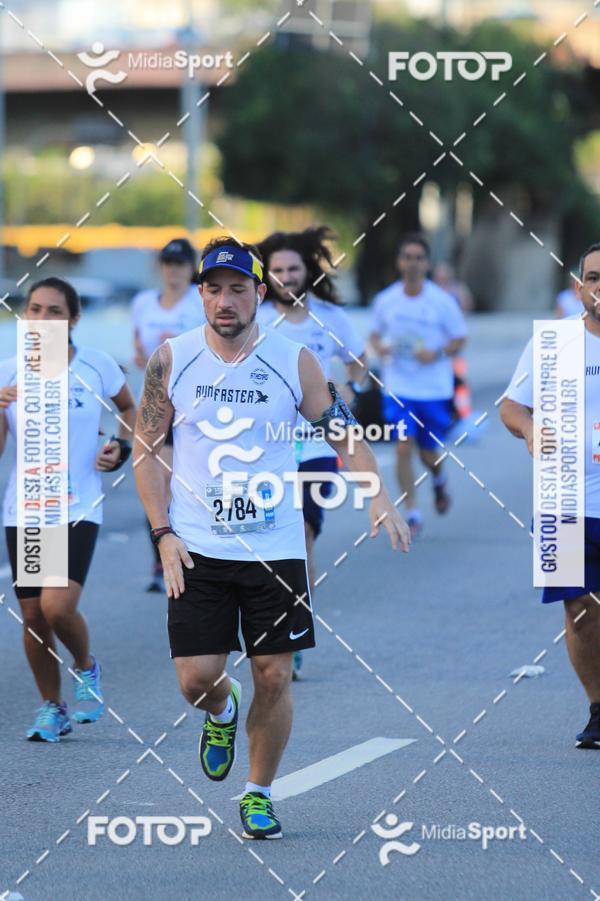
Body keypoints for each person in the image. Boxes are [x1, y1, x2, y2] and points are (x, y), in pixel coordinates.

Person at [134, 237, 410, 839]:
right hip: (196, 546)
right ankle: (222, 709)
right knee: (195, 680)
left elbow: (341, 432)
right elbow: (146, 451)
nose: (225, 300)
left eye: (238, 288)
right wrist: (162, 534)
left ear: (260, 292)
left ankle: (258, 792)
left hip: (276, 546)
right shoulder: (171, 359)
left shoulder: (293, 360)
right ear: (201, 294)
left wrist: (378, 495)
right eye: (214, 289)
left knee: (276, 674)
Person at [0, 277, 136, 742]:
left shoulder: (97, 367)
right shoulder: (10, 372)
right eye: (34, 309)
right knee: (34, 615)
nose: (41, 319)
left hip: (77, 505)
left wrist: (119, 446)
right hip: (27, 509)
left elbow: (129, 410)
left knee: (58, 607)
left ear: (73, 319)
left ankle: (86, 667)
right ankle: (52, 708)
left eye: (53, 311)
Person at [500, 242, 600, 750]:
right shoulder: (554, 343)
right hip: (562, 499)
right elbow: (511, 407)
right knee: (578, 606)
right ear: (579, 286)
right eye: (594, 277)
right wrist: (531, 428)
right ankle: (598, 709)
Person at [257, 226, 367, 678]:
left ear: (308, 271)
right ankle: (270, 619)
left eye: (293, 268)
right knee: (266, 544)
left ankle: (292, 632)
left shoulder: (330, 318)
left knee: (301, 537)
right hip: (263, 450)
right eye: (277, 270)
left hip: (317, 446)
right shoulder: (257, 319)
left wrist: (349, 389)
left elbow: (359, 366)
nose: (286, 276)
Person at [370, 234, 467, 537]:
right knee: (402, 447)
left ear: (427, 263)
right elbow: (374, 334)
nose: (412, 263)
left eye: (418, 258)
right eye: (407, 257)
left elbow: (460, 338)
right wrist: (381, 348)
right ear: (399, 262)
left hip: (433, 390)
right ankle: (412, 511)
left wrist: (436, 353)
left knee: (428, 454)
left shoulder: (442, 301)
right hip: (398, 389)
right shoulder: (386, 300)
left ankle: (438, 481)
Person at [131, 238, 206, 592]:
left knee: (180, 485)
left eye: (180, 264)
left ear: (191, 268)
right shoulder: (143, 303)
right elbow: (137, 351)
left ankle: (196, 553)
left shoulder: (198, 300)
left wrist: (175, 341)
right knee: (158, 482)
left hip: (193, 402)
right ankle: (162, 558)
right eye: (167, 263)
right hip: (157, 402)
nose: (173, 270)